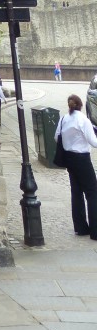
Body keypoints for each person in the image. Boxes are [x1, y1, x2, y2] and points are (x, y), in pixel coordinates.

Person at [55, 93, 97, 238]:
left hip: (69, 158)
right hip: (82, 158)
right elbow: (94, 142)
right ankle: (95, 230)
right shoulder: (83, 120)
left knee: (76, 192)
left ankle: (81, 227)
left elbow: (56, 137)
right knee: (92, 193)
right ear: (81, 105)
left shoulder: (64, 119)